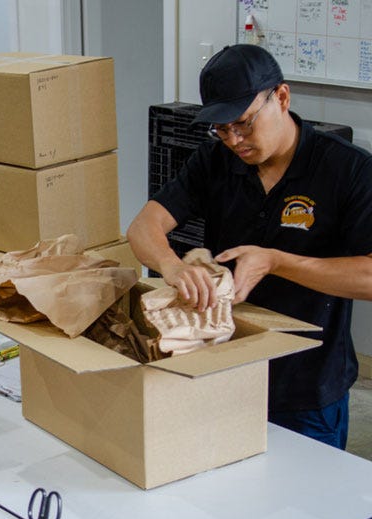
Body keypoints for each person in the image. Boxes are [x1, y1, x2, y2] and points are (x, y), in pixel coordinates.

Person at [127, 44, 372, 450]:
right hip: (225, 366)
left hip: (306, 386)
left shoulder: (349, 170)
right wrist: (171, 267)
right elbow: (144, 226)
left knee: (309, 505)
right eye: (221, 129)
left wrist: (275, 261)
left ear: (281, 97)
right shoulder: (215, 161)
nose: (234, 140)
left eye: (243, 124)